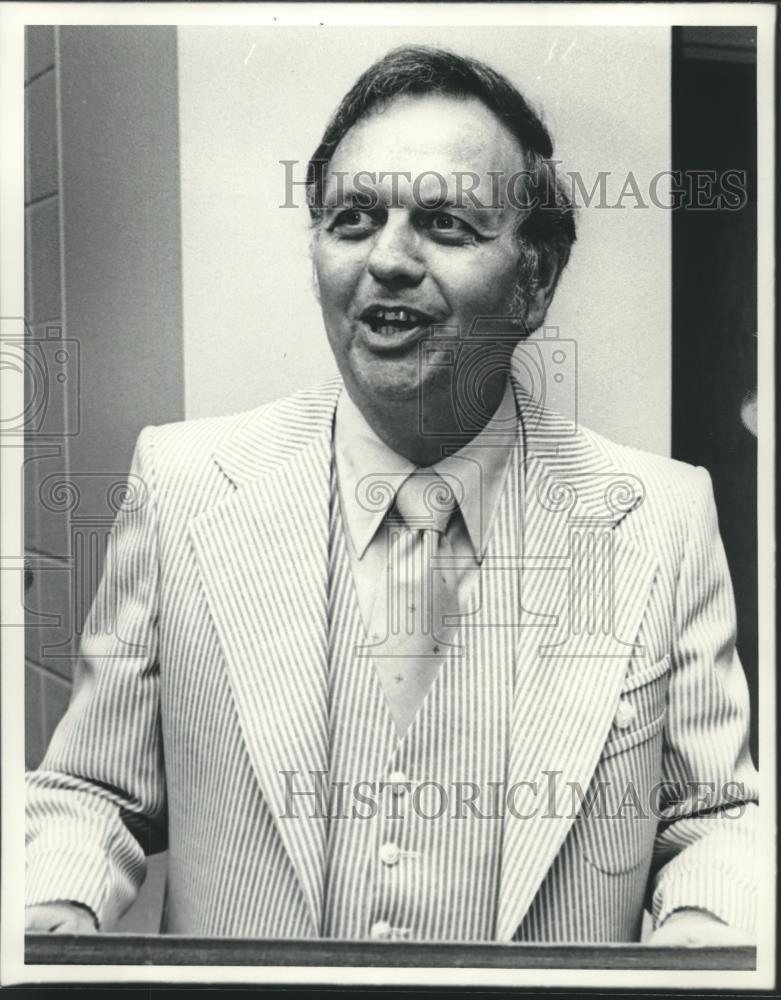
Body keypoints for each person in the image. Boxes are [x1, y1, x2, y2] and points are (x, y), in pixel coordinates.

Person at [26, 45, 757, 945]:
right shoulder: (184, 487)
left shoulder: (659, 516)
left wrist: (701, 930)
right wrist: (48, 906)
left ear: (534, 282)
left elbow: (711, 814)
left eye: (445, 224)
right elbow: (93, 788)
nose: (389, 259)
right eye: (353, 218)